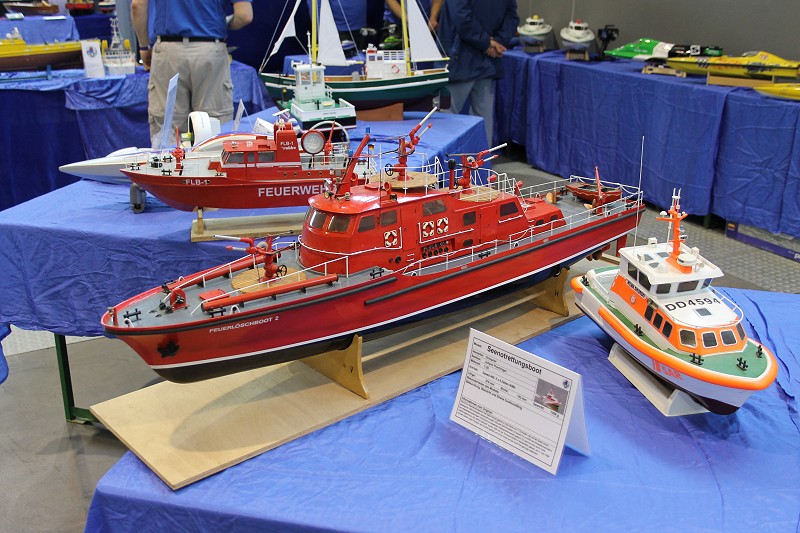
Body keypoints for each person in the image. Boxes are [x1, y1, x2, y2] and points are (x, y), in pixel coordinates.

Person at [131, 0, 253, 146]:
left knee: (169, 129)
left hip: (169, 52)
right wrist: (219, 23)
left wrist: (144, 47)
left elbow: (137, 6)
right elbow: (244, 15)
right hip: (210, 50)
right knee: (213, 128)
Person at [438, 0, 517, 145]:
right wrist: (496, 43)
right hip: (487, 61)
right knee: (483, 120)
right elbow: (512, 17)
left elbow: (461, 15)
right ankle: (483, 159)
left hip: (460, 58)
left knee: (446, 118)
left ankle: (444, 159)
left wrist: (488, 43)